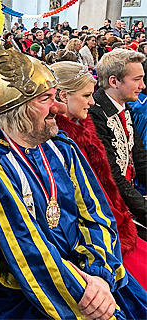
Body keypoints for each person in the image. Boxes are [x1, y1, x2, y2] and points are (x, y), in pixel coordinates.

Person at [0, 46, 147, 320]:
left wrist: (99, 275)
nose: (58, 107)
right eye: (46, 99)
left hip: (87, 277)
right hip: (27, 294)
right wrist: (84, 293)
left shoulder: (60, 146)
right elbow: (25, 253)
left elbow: (96, 214)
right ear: (19, 108)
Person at [52, 61, 147, 290]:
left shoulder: (83, 126)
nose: (92, 101)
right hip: (93, 233)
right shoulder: (63, 137)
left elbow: (138, 159)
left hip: (113, 215)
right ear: (64, 96)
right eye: (86, 95)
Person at [90, 49, 147, 236]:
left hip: (128, 199)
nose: (143, 85)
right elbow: (112, 175)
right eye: (137, 79)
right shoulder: (95, 114)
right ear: (114, 81)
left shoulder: (125, 107)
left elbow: (140, 158)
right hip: (111, 206)